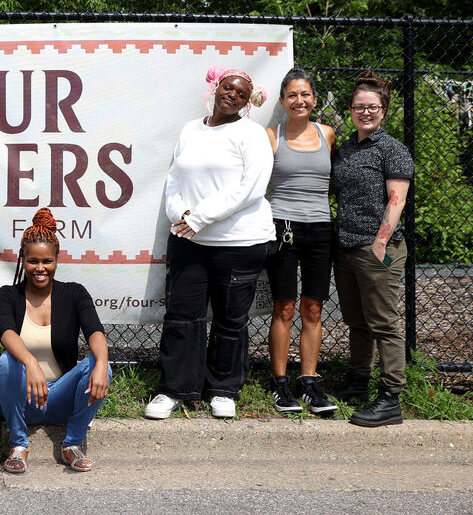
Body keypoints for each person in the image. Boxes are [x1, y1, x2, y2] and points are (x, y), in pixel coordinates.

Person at [145, 66, 274, 420]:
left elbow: (251, 187)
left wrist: (200, 218)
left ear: (248, 102)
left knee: (231, 319)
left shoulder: (252, 134)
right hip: (188, 239)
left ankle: (223, 388)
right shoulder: (190, 129)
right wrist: (181, 213)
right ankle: (174, 389)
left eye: (241, 94)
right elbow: (173, 179)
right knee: (181, 316)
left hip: (239, 241)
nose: (232, 95)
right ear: (216, 88)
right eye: (228, 88)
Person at [0, 208, 111, 474]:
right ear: (22, 259)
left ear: (57, 259)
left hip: (59, 398)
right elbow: (6, 332)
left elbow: (95, 332)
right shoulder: (6, 295)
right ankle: (18, 445)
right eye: (33, 261)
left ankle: (72, 444)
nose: (40, 268)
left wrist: (102, 363)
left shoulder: (74, 294)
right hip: (20, 400)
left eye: (47, 261)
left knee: (99, 362)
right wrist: (30, 362)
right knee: (6, 361)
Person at [331, 71, 413, 427]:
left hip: (378, 248)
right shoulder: (346, 148)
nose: (365, 112)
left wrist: (381, 242)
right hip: (346, 246)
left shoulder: (392, 149)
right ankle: (358, 381)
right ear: (350, 110)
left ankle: (391, 396)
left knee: (384, 323)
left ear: (384, 110)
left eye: (372, 107)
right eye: (359, 107)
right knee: (357, 321)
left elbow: (396, 200)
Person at [264, 69, 338, 415]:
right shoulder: (271, 136)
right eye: (292, 95)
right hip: (283, 229)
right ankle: (280, 384)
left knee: (313, 308)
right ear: (282, 101)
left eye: (305, 94)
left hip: (321, 230)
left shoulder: (328, 134)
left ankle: (309, 382)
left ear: (315, 100)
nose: (299, 101)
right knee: (284, 308)